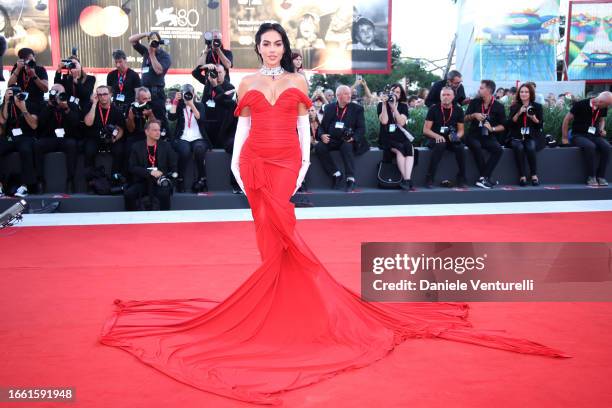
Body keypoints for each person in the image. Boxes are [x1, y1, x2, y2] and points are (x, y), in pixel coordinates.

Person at [100, 22, 566, 407]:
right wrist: (241, 175)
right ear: (257, 48)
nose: (270, 49)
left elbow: (304, 128)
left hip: (285, 165)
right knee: (268, 239)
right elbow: (241, 131)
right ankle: (276, 311)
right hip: (254, 164)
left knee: (287, 233)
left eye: (277, 43)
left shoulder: (299, 83)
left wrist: (301, 167)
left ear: (285, 47)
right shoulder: (246, 83)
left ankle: (295, 312)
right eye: (264, 44)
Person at [316, 85, 365, 191]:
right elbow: (322, 127)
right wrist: (322, 135)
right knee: (319, 147)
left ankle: (350, 179)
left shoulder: (357, 109)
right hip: (332, 139)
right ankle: (336, 174)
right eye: (346, 93)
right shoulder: (329, 108)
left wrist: (354, 138)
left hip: (347, 139)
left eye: (349, 93)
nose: (349, 96)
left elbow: (361, 128)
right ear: (338, 96)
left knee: (347, 146)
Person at [34, 84, 80, 193]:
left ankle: (70, 180)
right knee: (37, 145)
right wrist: (49, 107)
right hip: (50, 138)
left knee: (72, 145)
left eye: (60, 93)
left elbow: (76, 123)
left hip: (67, 138)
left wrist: (66, 109)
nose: (57, 96)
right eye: (54, 92)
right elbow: (40, 123)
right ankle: (40, 180)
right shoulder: (45, 105)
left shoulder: (72, 105)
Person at [124, 120, 177, 211]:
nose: (158, 133)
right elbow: (132, 167)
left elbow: (173, 165)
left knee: (164, 193)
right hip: (142, 181)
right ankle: (131, 220)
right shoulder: (137, 146)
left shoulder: (166, 146)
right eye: (154, 130)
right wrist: (150, 172)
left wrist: (164, 175)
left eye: (159, 130)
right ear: (147, 132)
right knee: (129, 194)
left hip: (159, 182)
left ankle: (165, 219)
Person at [562, 91, 612, 186]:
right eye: (608, 104)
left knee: (607, 147)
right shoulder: (580, 104)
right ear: (601, 102)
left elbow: (602, 120)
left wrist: (602, 129)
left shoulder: (603, 107)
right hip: (578, 134)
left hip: (594, 135)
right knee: (590, 146)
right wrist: (565, 138)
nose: (608, 106)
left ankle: (601, 176)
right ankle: (591, 176)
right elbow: (566, 119)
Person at [168, 84, 211, 193]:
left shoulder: (200, 105)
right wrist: (175, 102)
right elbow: (171, 118)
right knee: (185, 151)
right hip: (183, 137)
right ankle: (180, 179)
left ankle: (202, 179)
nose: (187, 96)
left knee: (199, 149)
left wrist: (191, 105)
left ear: (194, 93)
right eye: (185, 94)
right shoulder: (179, 106)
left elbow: (201, 119)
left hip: (199, 137)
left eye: (190, 94)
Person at [464, 79, 506, 189]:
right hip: (473, 134)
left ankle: (483, 177)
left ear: (489, 90)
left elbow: (503, 126)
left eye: (482, 88)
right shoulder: (474, 102)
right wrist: (474, 115)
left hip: (488, 135)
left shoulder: (499, 106)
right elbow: (464, 118)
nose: (479, 89)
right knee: (476, 146)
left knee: (498, 149)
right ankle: (485, 178)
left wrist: (492, 128)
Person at [423, 86, 467, 188]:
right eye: (443, 95)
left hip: (451, 138)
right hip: (435, 138)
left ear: (453, 97)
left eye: (448, 95)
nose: (445, 97)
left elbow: (461, 131)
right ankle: (430, 178)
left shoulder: (458, 110)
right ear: (440, 96)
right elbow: (426, 130)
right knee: (440, 144)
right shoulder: (434, 109)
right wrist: (437, 136)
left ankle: (462, 178)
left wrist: (456, 136)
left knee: (460, 147)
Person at [0, 87, 39, 197]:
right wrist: (7, 101)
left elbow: (34, 125)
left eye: (18, 94)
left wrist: (23, 109)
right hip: (10, 137)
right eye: (14, 94)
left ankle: (26, 185)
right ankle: (0, 185)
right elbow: (2, 120)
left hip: (26, 136)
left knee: (26, 150)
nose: (16, 97)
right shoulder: (7, 105)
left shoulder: (30, 105)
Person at [83, 85, 126, 180]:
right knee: (89, 150)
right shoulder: (90, 107)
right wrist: (94, 104)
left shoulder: (116, 110)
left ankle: (115, 177)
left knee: (119, 150)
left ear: (110, 95)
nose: (102, 97)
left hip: (111, 139)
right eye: (99, 95)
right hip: (95, 138)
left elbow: (121, 129)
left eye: (105, 94)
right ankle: (91, 180)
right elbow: (88, 123)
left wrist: (114, 139)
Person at [378, 83, 413, 190]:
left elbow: (402, 122)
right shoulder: (381, 105)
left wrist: (394, 108)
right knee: (399, 149)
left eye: (398, 92)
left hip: (401, 136)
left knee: (409, 147)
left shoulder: (403, 106)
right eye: (393, 91)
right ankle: (407, 180)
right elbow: (384, 121)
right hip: (387, 137)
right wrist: (385, 105)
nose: (395, 94)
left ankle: (407, 180)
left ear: (401, 94)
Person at [508, 83, 544, 186]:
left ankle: (534, 175)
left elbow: (540, 125)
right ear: (519, 93)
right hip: (516, 135)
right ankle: (522, 176)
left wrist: (533, 118)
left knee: (530, 146)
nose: (524, 94)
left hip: (531, 135)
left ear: (530, 93)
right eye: (522, 92)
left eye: (526, 92)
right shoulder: (514, 106)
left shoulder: (537, 106)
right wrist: (519, 112)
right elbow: (510, 124)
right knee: (518, 147)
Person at [128, 32, 172, 110]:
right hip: (144, 91)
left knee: (158, 118)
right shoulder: (146, 52)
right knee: (142, 117)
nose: (153, 42)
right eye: (151, 40)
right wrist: (145, 34)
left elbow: (158, 70)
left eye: (155, 40)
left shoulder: (165, 56)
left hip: (156, 93)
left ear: (159, 41)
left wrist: (152, 54)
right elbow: (131, 40)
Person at [106, 49, 142, 115]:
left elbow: (138, 93)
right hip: (115, 105)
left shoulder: (134, 75)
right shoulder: (111, 75)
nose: (118, 65)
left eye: (120, 62)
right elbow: (108, 91)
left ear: (125, 60)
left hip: (129, 106)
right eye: (116, 62)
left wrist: (135, 107)